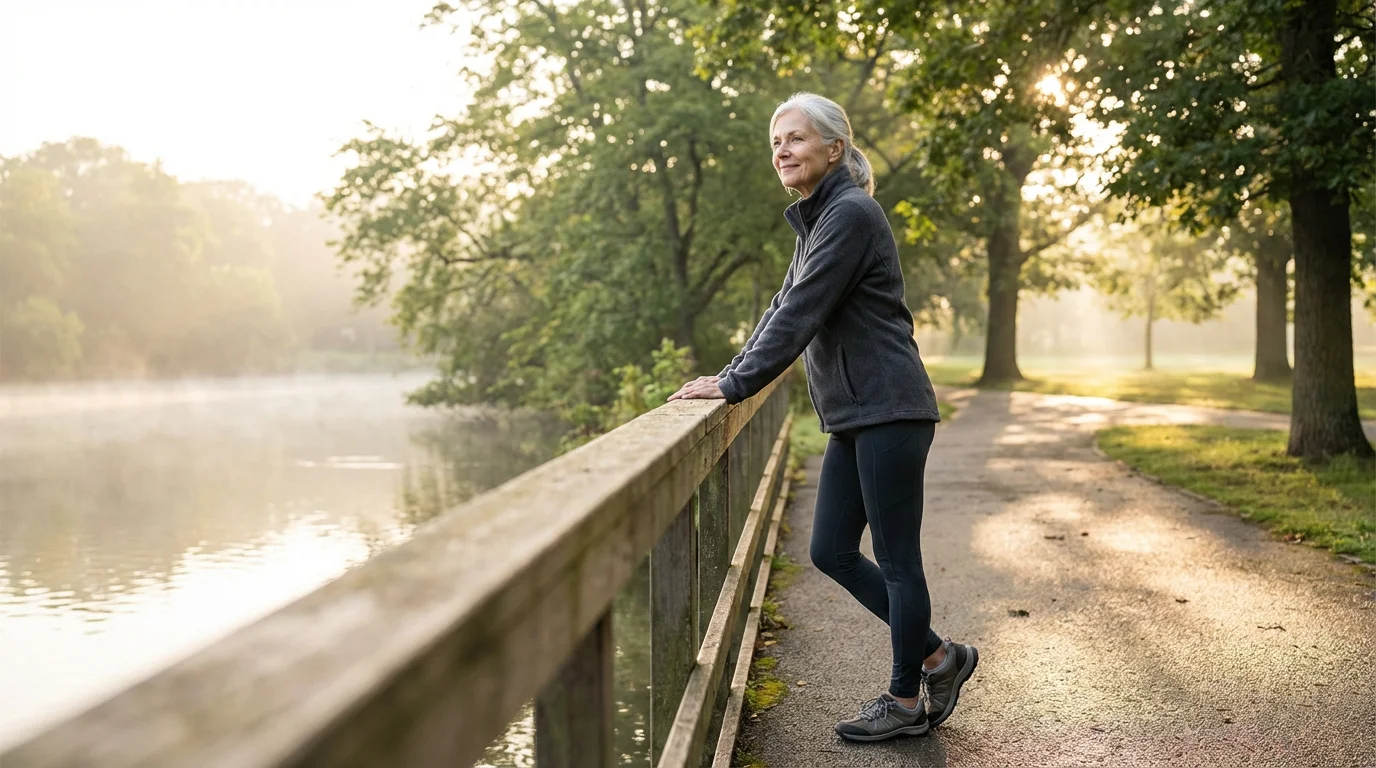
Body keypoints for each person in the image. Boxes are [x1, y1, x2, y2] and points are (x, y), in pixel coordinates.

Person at [668, 92, 978, 742]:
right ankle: (940, 658)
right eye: (775, 140)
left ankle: (904, 701)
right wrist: (728, 376)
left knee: (897, 561)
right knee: (831, 549)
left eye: (796, 138)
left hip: (890, 408)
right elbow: (781, 306)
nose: (781, 149)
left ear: (834, 148)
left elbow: (801, 311)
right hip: (856, 413)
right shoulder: (820, 221)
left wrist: (735, 385)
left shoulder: (851, 214)